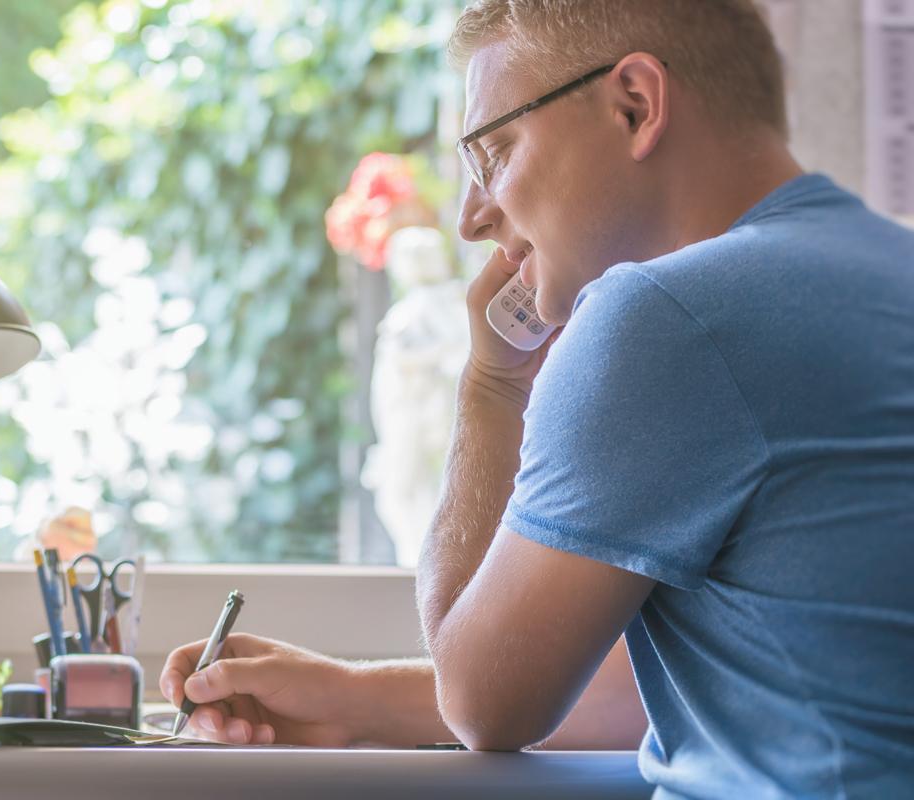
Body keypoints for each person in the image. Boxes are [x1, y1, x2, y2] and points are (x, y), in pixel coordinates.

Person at [161, 0, 914, 795]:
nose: (472, 217)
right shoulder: (883, 269)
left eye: (495, 153)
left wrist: (493, 385)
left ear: (635, 105)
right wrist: (353, 700)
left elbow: (485, 705)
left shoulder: (664, 314)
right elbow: (706, 684)